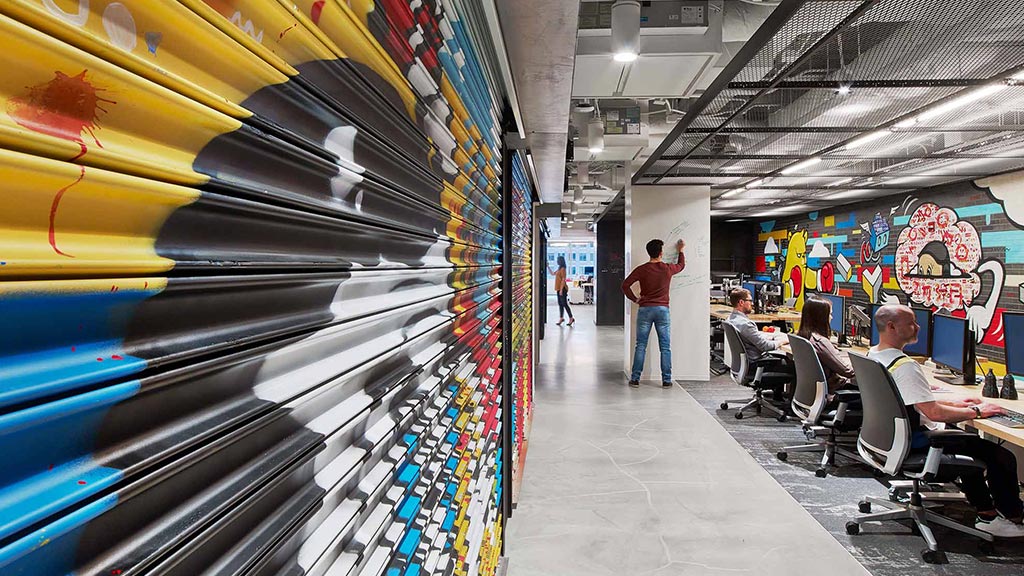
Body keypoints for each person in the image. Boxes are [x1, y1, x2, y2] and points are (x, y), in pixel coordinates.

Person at [868, 304, 1023, 538]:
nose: (918, 327)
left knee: (969, 442)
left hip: (891, 440)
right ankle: (999, 516)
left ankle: (989, 509)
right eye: (911, 323)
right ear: (891, 327)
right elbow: (934, 413)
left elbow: (914, 401)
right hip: (917, 443)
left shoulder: (875, 355)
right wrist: (977, 412)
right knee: (1001, 456)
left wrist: (960, 404)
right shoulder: (905, 366)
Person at [622, 239, 686, 388]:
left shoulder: (642, 269)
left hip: (645, 309)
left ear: (649, 252)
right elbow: (681, 266)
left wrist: (635, 299)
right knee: (665, 347)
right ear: (661, 253)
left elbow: (625, 285)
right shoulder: (667, 268)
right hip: (663, 310)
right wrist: (681, 251)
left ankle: (635, 379)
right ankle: (666, 380)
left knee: (640, 345)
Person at [797, 296, 856, 394]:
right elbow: (848, 371)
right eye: (830, 314)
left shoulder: (804, 336)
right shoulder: (820, 342)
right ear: (821, 318)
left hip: (812, 392)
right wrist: (865, 366)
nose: (832, 317)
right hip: (834, 391)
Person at [548, 256, 574, 326]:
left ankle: (571, 318)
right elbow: (552, 274)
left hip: (562, 289)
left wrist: (561, 290)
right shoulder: (559, 269)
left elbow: (563, 279)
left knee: (564, 304)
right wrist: (548, 267)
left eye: (558, 260)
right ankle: (561, 318)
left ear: (561, 261)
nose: (557, 261)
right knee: (560, 304)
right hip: (558, 289)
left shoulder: (563, 269)